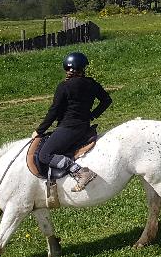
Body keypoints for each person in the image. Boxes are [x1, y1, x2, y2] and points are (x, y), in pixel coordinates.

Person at [36, 52, 111, 191]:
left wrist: (39, 131)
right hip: (83, 126)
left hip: (68, 128)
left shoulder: (64, 86)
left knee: (44, 155)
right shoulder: (91, 83)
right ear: (83, 68)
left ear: (67, 68)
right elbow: (107, 100)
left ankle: (81, 172)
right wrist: (92, 115)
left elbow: (54, 111)